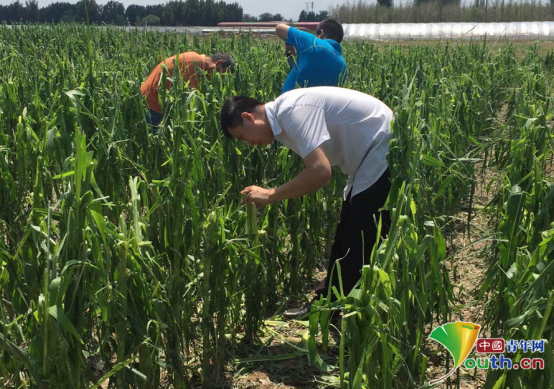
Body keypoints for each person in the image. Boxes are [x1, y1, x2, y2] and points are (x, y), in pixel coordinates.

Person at [220, 87, 393, 320]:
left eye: (243, 137)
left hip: (381, 147)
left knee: (360, 237)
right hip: (365, 159)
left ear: (247, 117)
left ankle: (355, 318)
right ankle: (325, 308)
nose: (249, 144)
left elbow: (320, 172)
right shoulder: (283, 120)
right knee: (346, 234)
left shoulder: (292, 111)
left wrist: (271, 194)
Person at [141, 52, 234, 127]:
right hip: (152, 104)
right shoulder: (194, 63)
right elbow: (186, 98)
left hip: (156, 103)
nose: (219, 78)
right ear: (218, 63)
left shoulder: (197, 64)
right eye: (221, 75)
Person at [276, 20, 347, 94]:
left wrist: (289, 43)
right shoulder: (343, 66)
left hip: (290, 102)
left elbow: (279, 28)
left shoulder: (312, 43)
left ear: (321, 33)